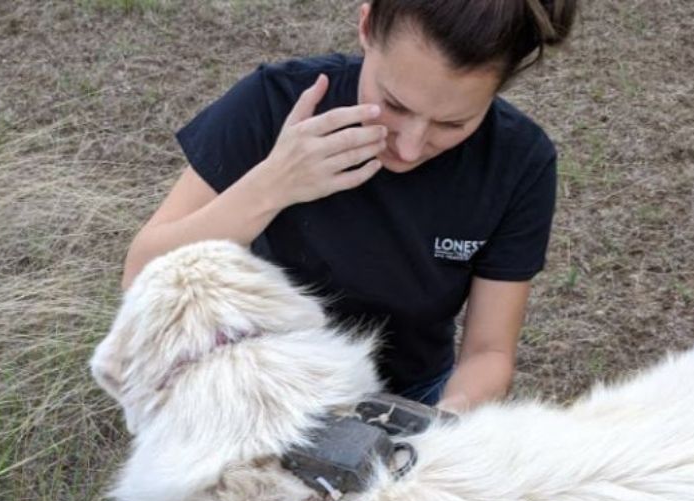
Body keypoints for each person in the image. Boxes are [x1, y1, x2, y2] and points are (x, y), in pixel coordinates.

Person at [122, 0, 577, 412]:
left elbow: (488, 352)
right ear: (366, 25)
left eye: (453, 123)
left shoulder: (519, 162)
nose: (411, 145)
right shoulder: (273, 103)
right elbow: (143, 276)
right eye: (394, 104)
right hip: (258, 387)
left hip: (410, 395)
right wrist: (274, 184)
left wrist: (441, 424)